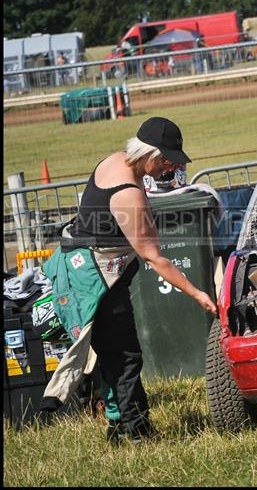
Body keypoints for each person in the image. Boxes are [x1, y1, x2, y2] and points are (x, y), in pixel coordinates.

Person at [43, 117, 217, 443]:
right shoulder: (129, 194)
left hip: (79, 267)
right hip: (95, 278)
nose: (169, 167)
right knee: (125, 357)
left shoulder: (113, 161)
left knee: (109, 355)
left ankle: (116, 426)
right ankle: (136, 432)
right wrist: (197, 293)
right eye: (166, 160)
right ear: (149, 154)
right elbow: (155, 256)